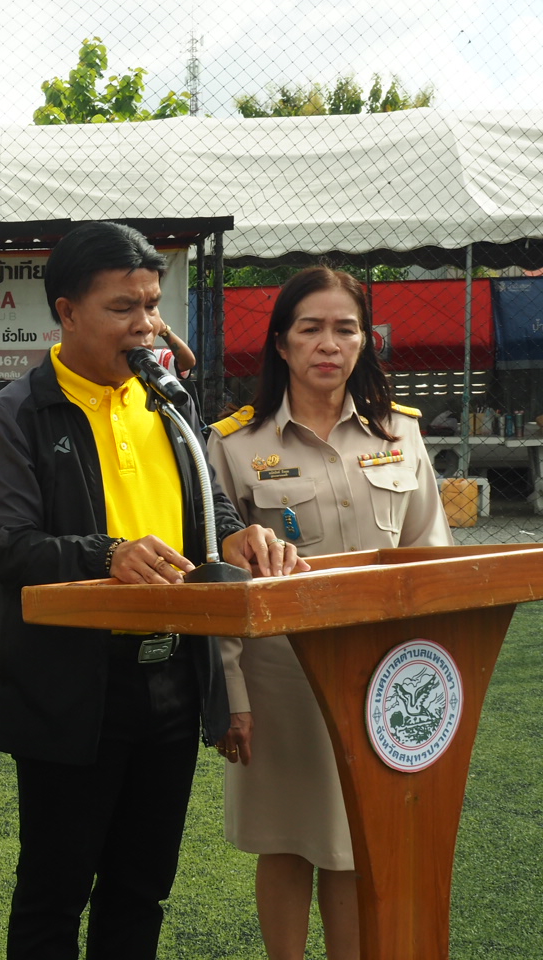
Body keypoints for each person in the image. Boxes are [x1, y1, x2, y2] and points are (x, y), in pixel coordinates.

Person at [0, 220, 306, 960]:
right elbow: (6, 547)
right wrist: (106, 553)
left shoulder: (168, 401)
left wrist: (233, 533)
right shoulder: (12, 416)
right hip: (70, 691)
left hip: (173, 681)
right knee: (53, 893)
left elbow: (206, 504)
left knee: (141, 890)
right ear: (67, 312)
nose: (146, 324)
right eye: (124, 307)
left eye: (152, 305)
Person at [207, 266, 452, 960]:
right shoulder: (234, 443)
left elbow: (430, 558)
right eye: (309, 328)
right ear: (281, 344)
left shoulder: (400, 435)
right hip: (281, 682)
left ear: (364, 342)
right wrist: (231, 695)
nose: (328, 343)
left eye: (345, 328)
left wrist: (432, 683)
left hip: (385, 681)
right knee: (285, 844)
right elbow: (220, 580)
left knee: (355, 848)